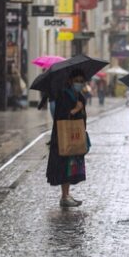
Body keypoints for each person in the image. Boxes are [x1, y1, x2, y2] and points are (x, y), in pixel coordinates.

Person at [46, 69, 88, 207]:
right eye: (77, 81)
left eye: (82, 81)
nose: (80, 84)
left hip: (76, 136)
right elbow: (60, 116)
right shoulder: (64, 95)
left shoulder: (80, 96)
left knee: (71, 166)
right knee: (65, 165)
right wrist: (75, 110)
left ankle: (67, 195)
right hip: (63, 137)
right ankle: (64, 196)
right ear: (70, 81)